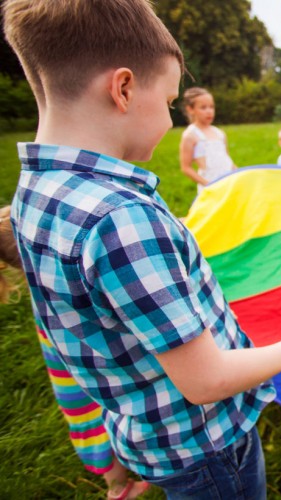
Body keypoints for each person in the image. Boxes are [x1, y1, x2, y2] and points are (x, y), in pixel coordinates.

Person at [4, 1, 281, 498]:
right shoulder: (121, 220)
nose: (173, 119)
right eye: (172, 101)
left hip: (146, 433)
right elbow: (206, 381)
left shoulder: (35, 193)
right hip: (209, 446)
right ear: (124, 88)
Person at [1, 207, 149, 500]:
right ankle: (137, 474)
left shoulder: (41, 286)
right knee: (113, 415)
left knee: (91, 423)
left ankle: (117, 487)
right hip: (99, 372)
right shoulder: (68, 286)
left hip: (70, 378)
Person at [179, 87, 237, 193]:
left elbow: (227, 159)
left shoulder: (220, 133)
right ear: (190, 109)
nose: (209, 111)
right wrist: (208, 184)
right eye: (203, 107)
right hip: (210, 187)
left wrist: (238, 173)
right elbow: (186, 167)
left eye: (211, 107)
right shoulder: (190, 135)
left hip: (228, 183)